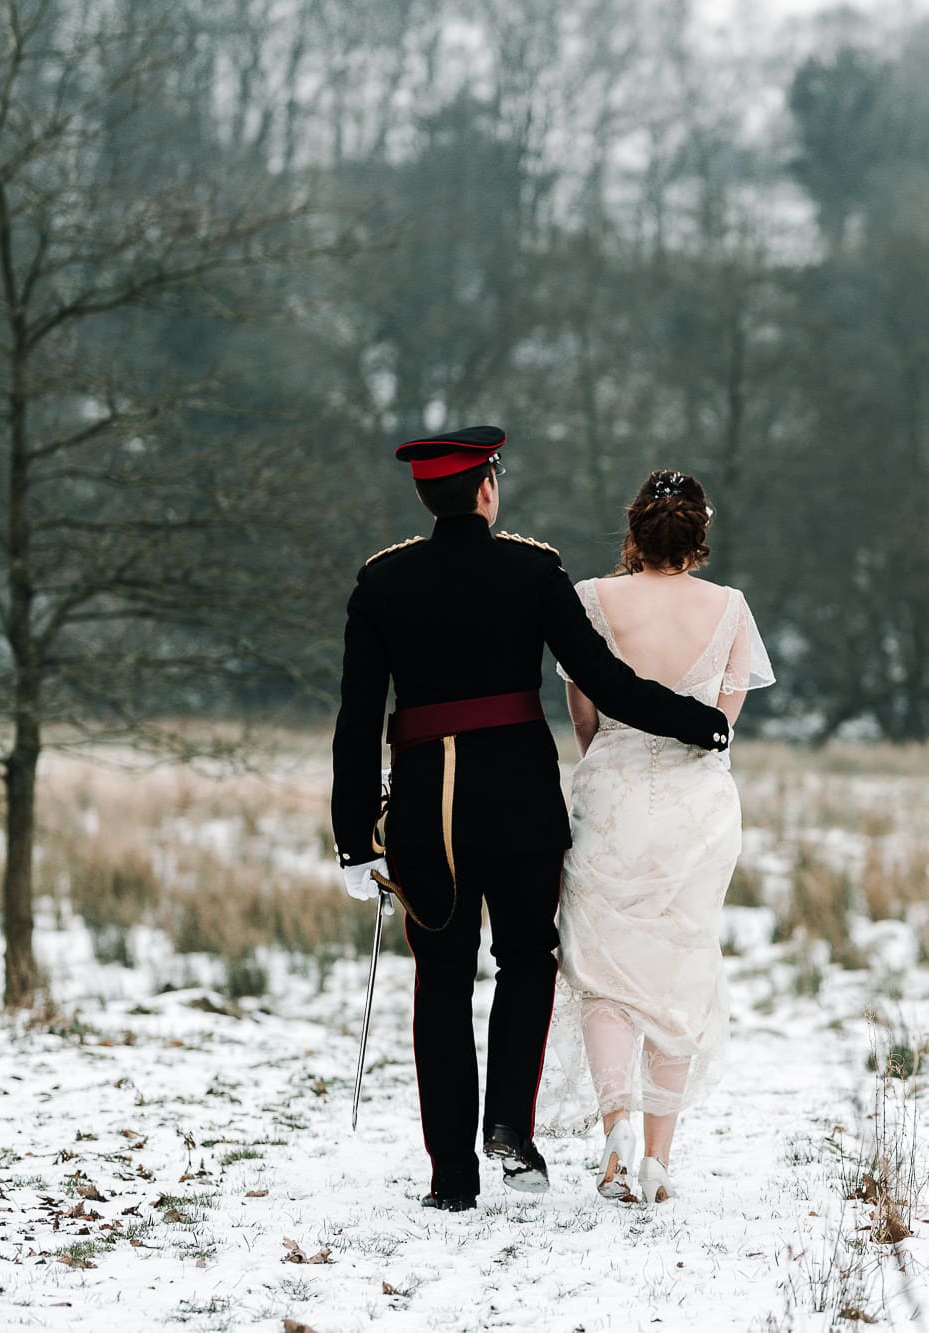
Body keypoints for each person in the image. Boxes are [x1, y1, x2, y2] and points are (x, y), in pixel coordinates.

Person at [331, 429, 731, 1212]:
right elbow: (606, 682)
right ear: (487, 489)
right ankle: (509, 1124)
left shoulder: (380, 582)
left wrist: (354, 838)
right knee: (526, 958)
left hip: (429, 808)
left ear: (426, 496)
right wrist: (699, 722)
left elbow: (355, 719)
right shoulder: (532, 570)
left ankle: (451, 1177)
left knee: (441, 980)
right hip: (520, 803)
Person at [536, 470, 772, 1204]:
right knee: (680, 966)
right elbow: (720, 728)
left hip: (612, 792)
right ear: (699, 532)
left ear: (632, 530)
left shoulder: (591, 602)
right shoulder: (730, 608)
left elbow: (584, 714)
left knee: (603, 969)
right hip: (697, 808)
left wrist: (607, 765)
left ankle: (615, 1128)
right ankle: (660, 1158)